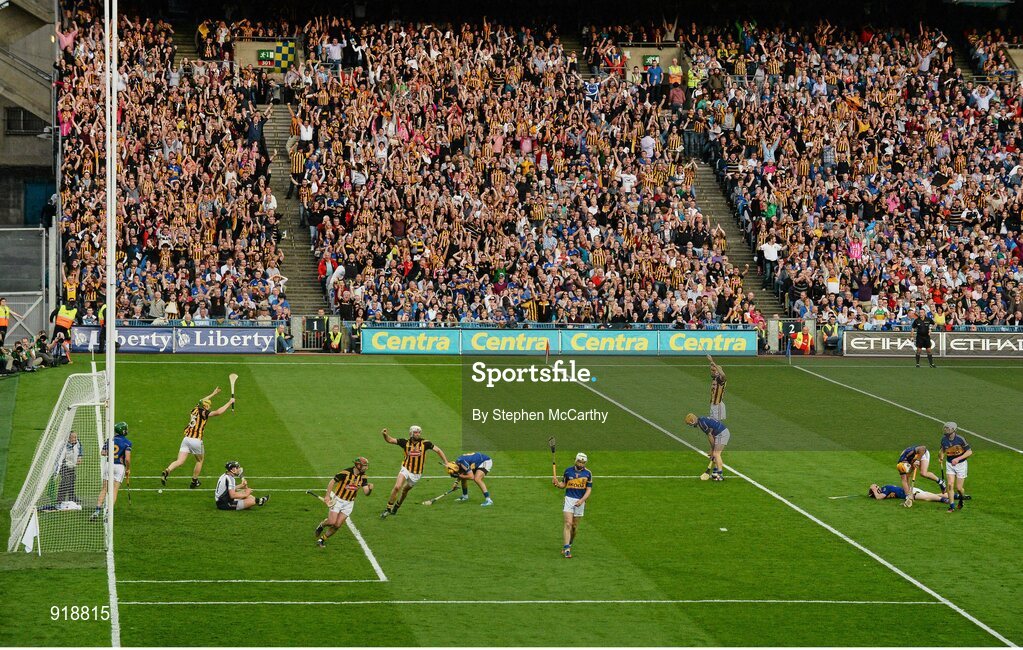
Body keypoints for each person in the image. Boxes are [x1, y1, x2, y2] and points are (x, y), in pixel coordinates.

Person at [161, 386, 235, 489]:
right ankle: (194, 481)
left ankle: (167, 470)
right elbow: (218, 412)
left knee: (180, 461)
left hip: (186, 439)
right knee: (199, 461)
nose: (209, 406)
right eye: (208, 405)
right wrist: (229, 402)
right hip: (196, 440)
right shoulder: (204, 413)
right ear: (205, 406)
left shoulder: (195, 409)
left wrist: (214, 394)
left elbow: (201, 400)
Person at [380, 425, 449, 518]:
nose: (418, 434)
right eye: (416, 432)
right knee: (397, 487)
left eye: (419, 432)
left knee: (404, 491)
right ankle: (388, 509)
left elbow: (438, 450)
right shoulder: (405, 442)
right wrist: (385, 435)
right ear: (411, 433)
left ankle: (397, 506)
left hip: (416, 474)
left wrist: (446, 462)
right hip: (406, 469)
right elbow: (390, 440)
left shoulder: (425, 443)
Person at [315, 457, 373, 547]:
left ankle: (322, 539)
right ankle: (322, 525)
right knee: (331, 522)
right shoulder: (345, 473)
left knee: (337, 525)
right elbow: (332, 481)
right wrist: (327, 496)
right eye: (364, 466)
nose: (366, 468)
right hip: (338, 500)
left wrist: (370, 489)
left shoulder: (363, 477)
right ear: (358, 465)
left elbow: (366, 493)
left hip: (349, 503)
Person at [552, 452, 592, 558]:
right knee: (568, 524)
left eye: (583, 462)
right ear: (576, 460)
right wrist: (557, 484)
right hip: (569, 499)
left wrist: (582, 500)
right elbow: (563, 485)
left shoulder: (588, 473)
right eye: (579, 461)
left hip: (580, 501)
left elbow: (588, 490)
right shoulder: (568, 471)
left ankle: (569, 543)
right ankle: (567, 549)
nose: (581, 464)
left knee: (574, 527)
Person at [91, 421, 131, 520]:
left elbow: (103, 453)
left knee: (104, 489)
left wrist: (111, 454)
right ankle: (108, 513)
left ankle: (97, 511)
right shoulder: (127, 442)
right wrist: (128, 469)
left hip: (109, 465)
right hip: (119, 467)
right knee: (114, 490)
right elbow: (127, 459)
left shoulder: (109, 440)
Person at [685, 413, 729, 480]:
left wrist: (712, 448)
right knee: (714, 454)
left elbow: (710, 435)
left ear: (692, 420)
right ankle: (715, 473)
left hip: (722, 434)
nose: (691, 425)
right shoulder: (702, 420)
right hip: (720, 433)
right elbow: (712, 431)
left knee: (716, 454)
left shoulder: (702, 423)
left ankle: (720, 475)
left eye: (690, 424)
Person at [939, 422, 971, 513]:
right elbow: (942, 450)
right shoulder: (943, 439)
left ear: (953, 430)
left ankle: (961, 499)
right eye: (945, 428)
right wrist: (940, 456)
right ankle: (951, 506)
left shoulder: (960, 439)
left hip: (961, 465)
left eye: (948, 429)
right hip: (949, 464)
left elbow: (969, 452)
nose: (945, 430)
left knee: (959, 488)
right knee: (950, 485)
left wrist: (958, 459)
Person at [56, 430, 83, 505]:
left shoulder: (77, 442)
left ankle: (71, 497)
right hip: (63, 466)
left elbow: (80, 448)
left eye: (76, 437)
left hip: (72, 465)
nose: (75, 439)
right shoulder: (63, 446)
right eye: (73, 437)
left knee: (72, 480)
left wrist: (79, 457)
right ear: (68, 438)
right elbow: (59, 457)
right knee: (65, 480)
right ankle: (60, 499)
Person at [867, 483, 950, 505]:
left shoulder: (885, 489)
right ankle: (955, 496)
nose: (877, 487)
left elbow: (879, 497)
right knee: (930, 495)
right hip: (910, 490)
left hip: (910, 493)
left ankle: (943, 500)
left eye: (876, 487)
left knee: (926, 497)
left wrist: (873, 489)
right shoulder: (885, 489)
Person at [707, 354, 727, 420]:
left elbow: (723, 375)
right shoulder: (715, 378)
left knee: (717, 426)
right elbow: (713, 369)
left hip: (717, 405)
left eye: (714, 370)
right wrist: (711, 361)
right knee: (712, 425)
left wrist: (713, 362)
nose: (712, 371)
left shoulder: (720, 380)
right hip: (713, 405)